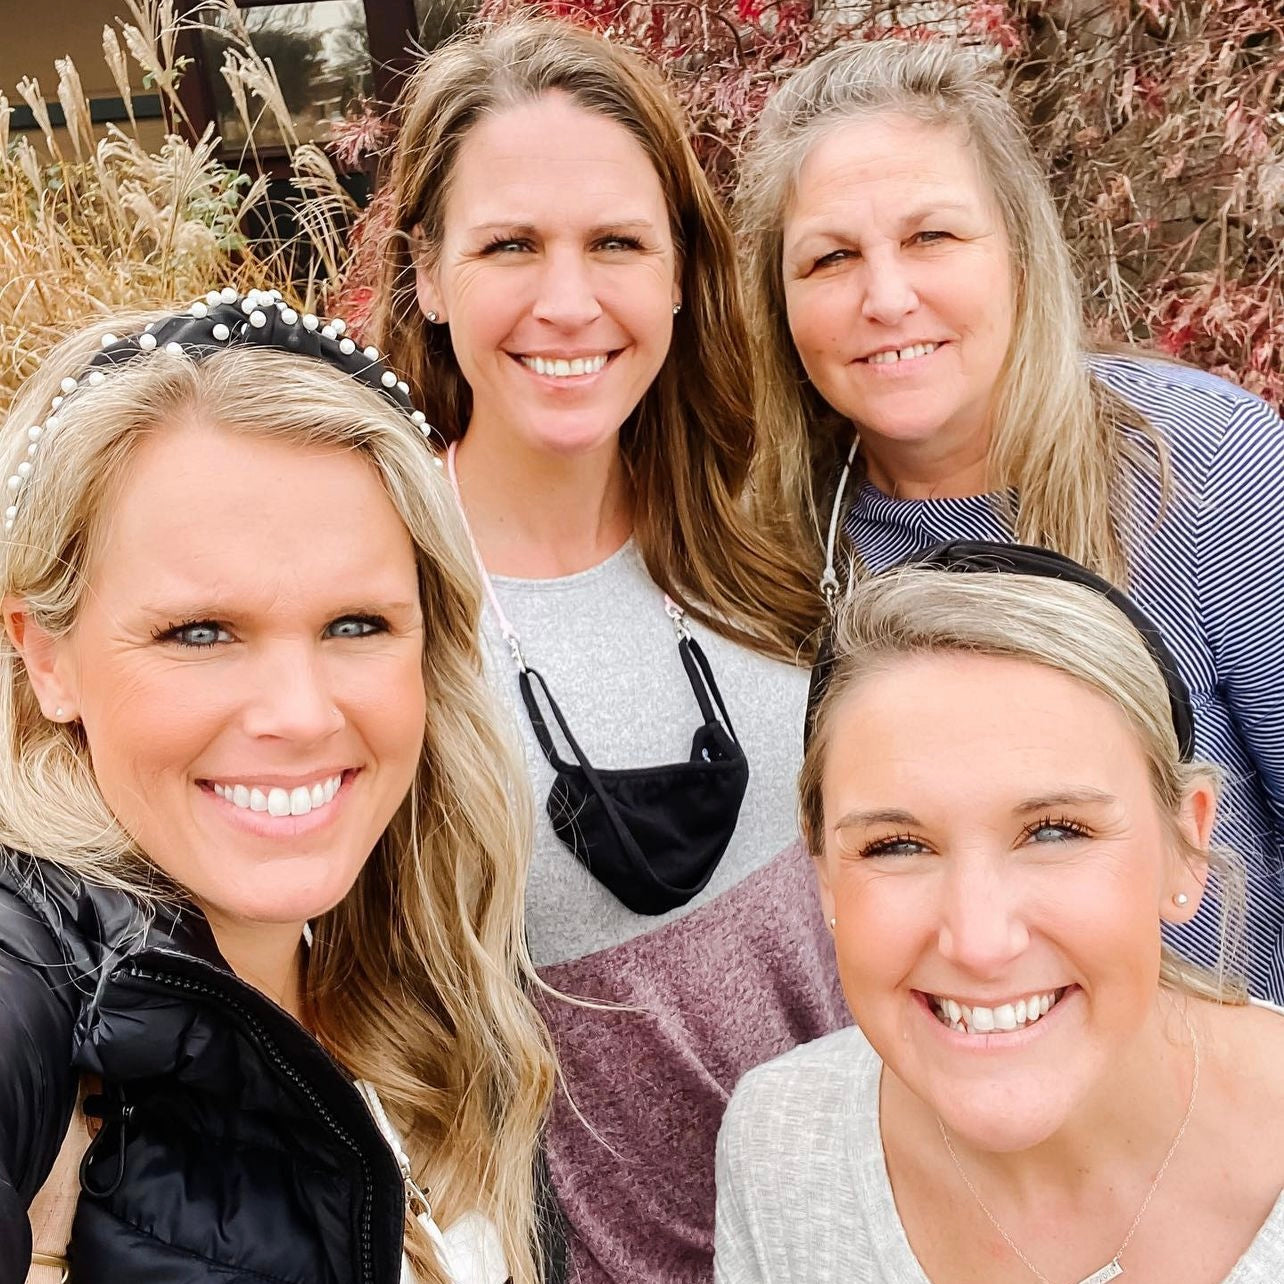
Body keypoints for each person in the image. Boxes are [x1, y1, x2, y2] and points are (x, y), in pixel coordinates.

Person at [370, 19, 845, 1283]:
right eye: (511, 245)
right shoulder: (368, 604)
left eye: (618, 244)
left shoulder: (773, 540)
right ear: (427, 274)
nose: (568, 301)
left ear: (682, 270)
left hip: (868, 1233)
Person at [0, 290, 556, 1284]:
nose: (300, 715)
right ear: (48, 657)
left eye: (356, 625)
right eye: (201, 633)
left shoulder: (435, 981)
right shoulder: (29, 985)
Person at [735, 38, 1284, 1000]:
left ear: (1021, 255)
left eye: (932, 237)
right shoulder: (769, 543)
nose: (886, 298)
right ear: (779, 304)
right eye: (830, 258)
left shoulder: (1201, 464)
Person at [715, 546, 1284, 1283]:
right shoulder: (779, 1145)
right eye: (897, 846)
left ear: (1186, 847)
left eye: (1055, 832)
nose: (979, 943)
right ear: (823, 875)